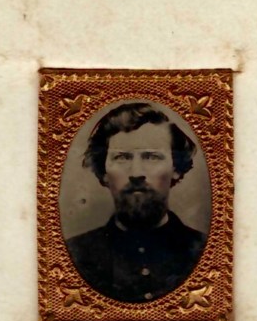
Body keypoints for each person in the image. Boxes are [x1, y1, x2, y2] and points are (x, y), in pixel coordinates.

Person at [66, 102, 207, 303]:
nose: (136, 172)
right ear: (103, 171)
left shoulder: (205, 252)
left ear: (175, 168)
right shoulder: (75, 254)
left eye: (151, 157)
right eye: (122, 157)